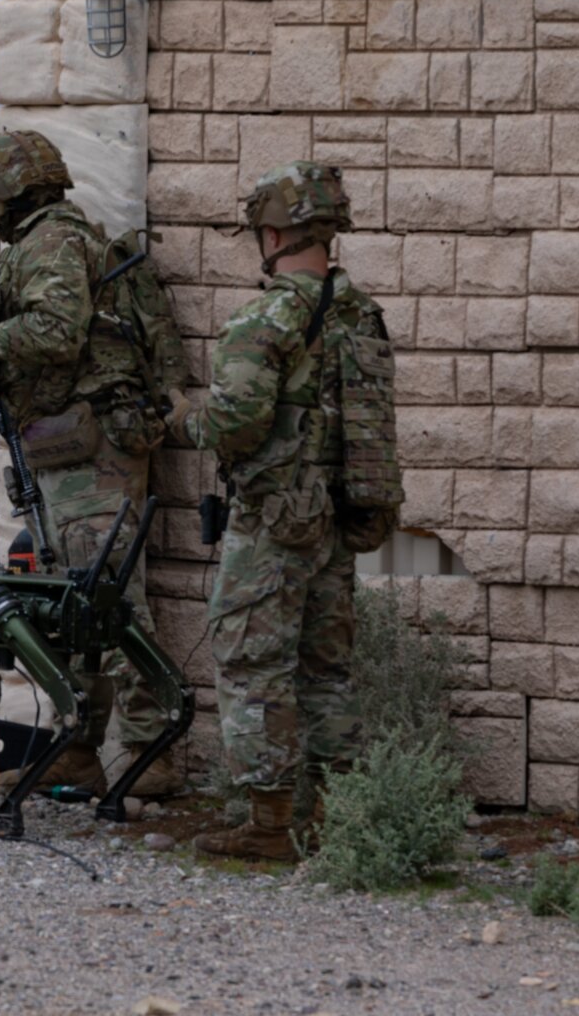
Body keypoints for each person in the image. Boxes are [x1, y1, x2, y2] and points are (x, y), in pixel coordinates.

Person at [0, 129, 189, 798]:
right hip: (70, 446)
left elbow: (56, 335)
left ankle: (153, 754)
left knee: (110, 603)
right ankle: (79, 748)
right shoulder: (54, 241)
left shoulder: (52, 245)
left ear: (10, 193)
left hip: (95, 452)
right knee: (76, 605)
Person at [169, 159, 387, 860]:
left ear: (272, 232)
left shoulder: (265, 317)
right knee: (325, 668)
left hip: (274, 520)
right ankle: (331, 816)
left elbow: (234, 423)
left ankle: (270, 827)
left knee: (250, 659)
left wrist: (180, 417)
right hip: (338, 515)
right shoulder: (362, 315)